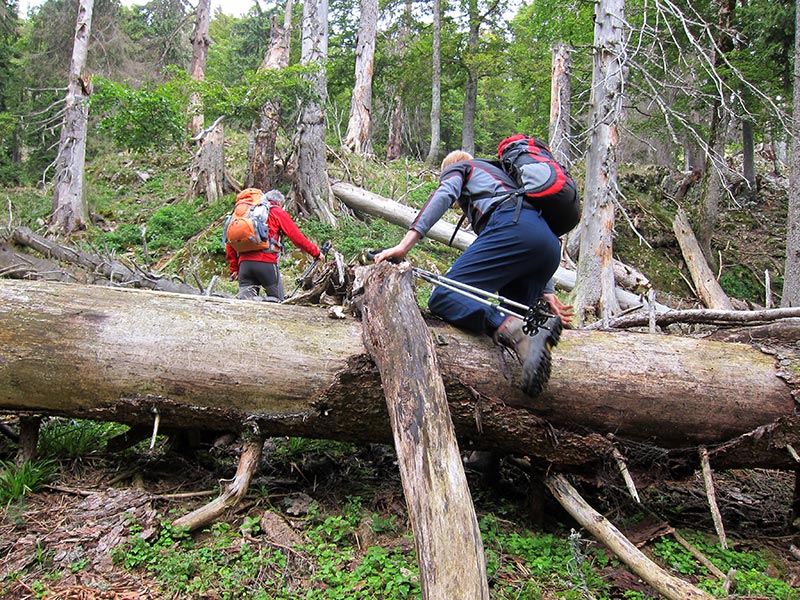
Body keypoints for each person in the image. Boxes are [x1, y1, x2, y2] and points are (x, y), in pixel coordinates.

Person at [374, 149, 574, 397]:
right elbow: (535, 232)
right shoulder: (507, 182)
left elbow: (445, 193)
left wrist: (404, 246)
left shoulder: (464, 168)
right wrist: (547, 289)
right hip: (547, 247)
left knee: (445, 296)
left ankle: (515, 330)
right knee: (518, 319)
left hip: (514, 229)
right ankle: (530, 349)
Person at [225, 188, 322, 301]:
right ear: (280, 202)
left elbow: (230, 242)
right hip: (266, 263)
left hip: (244, 266)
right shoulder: (276, 212)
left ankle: (252, 305)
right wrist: (316, 253)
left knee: (245, 305)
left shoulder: (243, 216)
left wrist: (234, 268)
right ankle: (262, 302)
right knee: (279, 302)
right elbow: (296, 237)